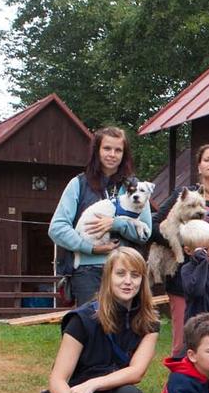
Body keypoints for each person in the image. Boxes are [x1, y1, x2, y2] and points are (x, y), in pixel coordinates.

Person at [35, 248, 159, 393]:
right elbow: (57, 381)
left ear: (142, 281)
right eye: (120, 274)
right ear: (108, 277)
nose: (128, 281)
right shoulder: (82, 319)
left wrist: (92, 385)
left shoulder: (149, 323)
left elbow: (136, 372)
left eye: (135, 275)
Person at [49, 127, 151, 306]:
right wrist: (89, 247)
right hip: (88, 270)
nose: (112, 154)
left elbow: (145, 233)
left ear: (124, 154)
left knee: (124, 328)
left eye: (118, 150)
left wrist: (116, 224)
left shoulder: (137, 188)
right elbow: (57, 228)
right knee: (91, 327)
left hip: (126, 270)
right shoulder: (78, 184)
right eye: (107, 148)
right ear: (97, 151)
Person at [152, 143, 209, 355]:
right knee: (184, 340)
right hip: (184, 278)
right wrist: (186, 238)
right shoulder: (183, 194)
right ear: (199, 167)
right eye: (207, 159)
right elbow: (153, 227)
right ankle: (180, 385)